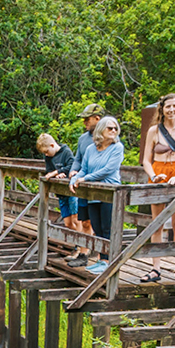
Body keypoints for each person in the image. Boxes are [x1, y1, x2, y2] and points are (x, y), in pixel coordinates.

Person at [138, 93, 175, 282]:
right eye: (168, 107)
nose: (172, 110)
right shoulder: (154, 130)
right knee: (157, 222)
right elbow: (146, 160)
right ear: (162, 109)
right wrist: (154, 176)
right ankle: (156, 268)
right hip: (159, 172)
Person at [68, 115, 124, 274]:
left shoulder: (117, 148)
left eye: (115, 128)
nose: (114, 131)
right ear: (101, 130)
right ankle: (101, 259)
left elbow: (108, 170)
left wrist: (85, 179)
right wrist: (74, 179)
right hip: (93, 193)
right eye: (110, 128)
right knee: (97, 227)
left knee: (107, 227)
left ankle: (108, 261)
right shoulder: (90, 148)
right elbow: (84, 169)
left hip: (109, 191)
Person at [65, 103, 109, 266]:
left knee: (100, 223)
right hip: (84, 186)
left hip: (101, 186)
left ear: (97, 119)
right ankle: (83, 254)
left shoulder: (108, 137)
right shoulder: (83, 139)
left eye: (87, 119)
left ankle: (102, 257)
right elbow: (78, 159)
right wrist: (73, 171)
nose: (84, 122)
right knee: (84, 220)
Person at [37, 133, 77, 230]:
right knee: (67, 223)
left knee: (76, 220)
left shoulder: (66, 152)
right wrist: (57, 174)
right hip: (61, 193)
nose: (46, 154)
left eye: (47, 151)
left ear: (52, 145)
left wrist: (58, 172)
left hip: (72, 191)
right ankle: (76, 242)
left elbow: (72, 165)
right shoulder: (48, 157)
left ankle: (80, 245)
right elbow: (48, 171)